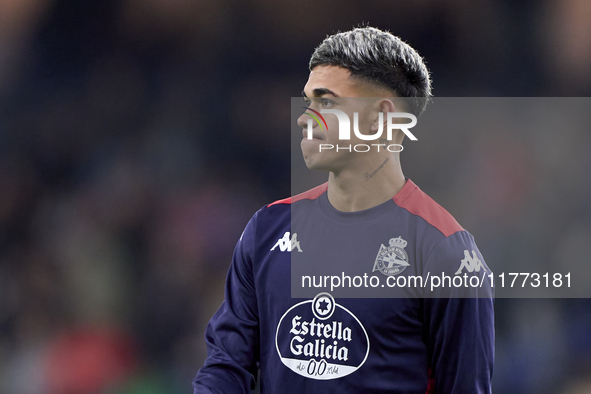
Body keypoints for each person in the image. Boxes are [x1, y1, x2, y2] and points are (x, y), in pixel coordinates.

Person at [193, 26, 494, 393]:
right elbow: (226, 364)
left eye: (327, 101)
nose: (305, 118)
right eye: (307, 102)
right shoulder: (268, 228)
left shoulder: (445, 251)